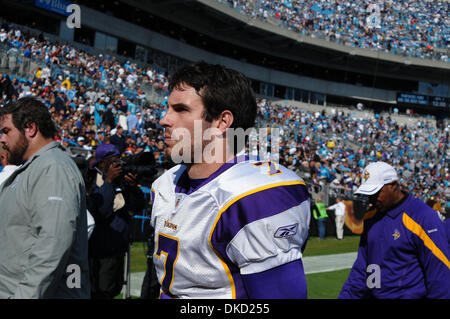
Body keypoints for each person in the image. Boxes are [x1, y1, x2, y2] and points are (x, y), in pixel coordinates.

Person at [150, 61, 311, 299]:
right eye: (168, 108)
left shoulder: (254, 196)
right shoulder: (166, 184)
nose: (164, 119)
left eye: (181, 109)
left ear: (221, 122)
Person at [0, 97, 90, 298]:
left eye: (6, 131)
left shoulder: (53, 168)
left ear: (30, 128)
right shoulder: (36, 167)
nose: (2, 139)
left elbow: (52, 245)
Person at [339, 161, 450, 299]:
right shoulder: (370, 217)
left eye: (376, 193)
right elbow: (361, 269)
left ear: (393, 185)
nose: (371, 200)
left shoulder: (422, 216)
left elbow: (440, 274)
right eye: (368, 195)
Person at [87, 143, 146, 299]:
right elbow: (99, 211)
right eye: (114, 162)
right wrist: (108, 181)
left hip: (117, 249)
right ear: (102, 163)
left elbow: (137, 207)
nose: (118, 165)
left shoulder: (120, 182)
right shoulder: (93, 180)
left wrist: (133, 187)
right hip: (99, 252)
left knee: (113, 289)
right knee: (101, 291)